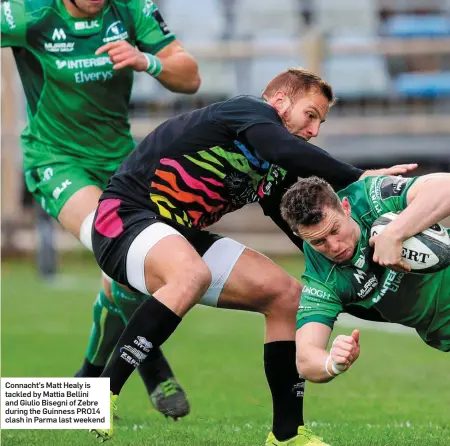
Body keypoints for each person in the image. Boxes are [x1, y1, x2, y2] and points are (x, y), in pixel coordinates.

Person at [87, 67, 417, 445]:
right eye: (310, 115)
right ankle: (101, 395)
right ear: (279, 101)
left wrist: (362, 287)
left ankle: (287, 435)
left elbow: (303, 233)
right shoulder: (246, 112)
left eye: (320, 123)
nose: (313, 130)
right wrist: (356, 176)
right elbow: (284, 147)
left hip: (179, 237)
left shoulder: (274, 168)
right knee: (191, 274)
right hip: (124, 218)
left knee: (287, 296)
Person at [1, 0, 201, 419]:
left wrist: (147, 60)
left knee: (129, 276)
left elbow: (190, 76)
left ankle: (92, 376)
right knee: (121, 249)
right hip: (56, 159)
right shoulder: (29, 13)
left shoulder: (129, 10)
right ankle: (145, 366)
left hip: (120, 162)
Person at [280, 173, 450, 385]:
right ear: (300, 236)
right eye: (318, 242)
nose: (334, 247)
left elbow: (446, 186)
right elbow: (305, 361)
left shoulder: (370, 198)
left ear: (345, 207)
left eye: (335, 230)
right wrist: (332, 363)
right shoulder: (323, 276)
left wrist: (394, 234)